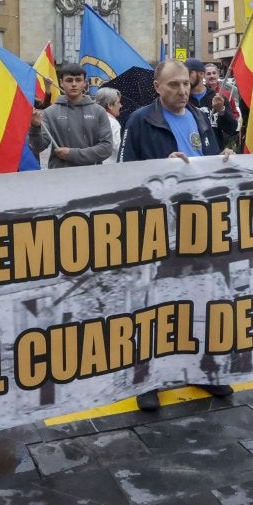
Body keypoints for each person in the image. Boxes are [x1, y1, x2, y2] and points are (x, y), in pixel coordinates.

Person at [120, 59, 233, 408]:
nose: (182, 90)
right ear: (157, 87)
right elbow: (124, 176)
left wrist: (226, 157)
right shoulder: (140, 121)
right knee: (153, 304)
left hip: (198, 227)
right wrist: (161, 169)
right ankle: (147, 379)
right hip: (157, 229)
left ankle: (202, 369)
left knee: (200, 299)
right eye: (173, 85)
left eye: (185, 83)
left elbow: (210, 162)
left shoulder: (200, 116)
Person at [27, 62, 114, 168]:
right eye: (69, 80)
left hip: (92, 176)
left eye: (78, 80)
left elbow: (107, 148)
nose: (74, 84)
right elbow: (38, 147)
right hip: (60, 177)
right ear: (61, 83)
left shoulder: (98, 111)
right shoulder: (50, 112)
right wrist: (35, 127)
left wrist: (72, 154)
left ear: (85, 83)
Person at [199, 61, 240, 148]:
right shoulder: (199, 94)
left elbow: (235, 114)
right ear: (204, 76)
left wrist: (226, 118)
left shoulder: (226, 94)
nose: (212, 76)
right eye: (208, 74)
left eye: (214, 73)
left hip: (222, 138)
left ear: (218, 74)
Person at [94, 86, 123, 163]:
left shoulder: (92, 119)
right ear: (110, 105)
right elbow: (119, 149)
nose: (121, 105)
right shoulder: (113, 123)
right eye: (118, 102)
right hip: (111, 168)